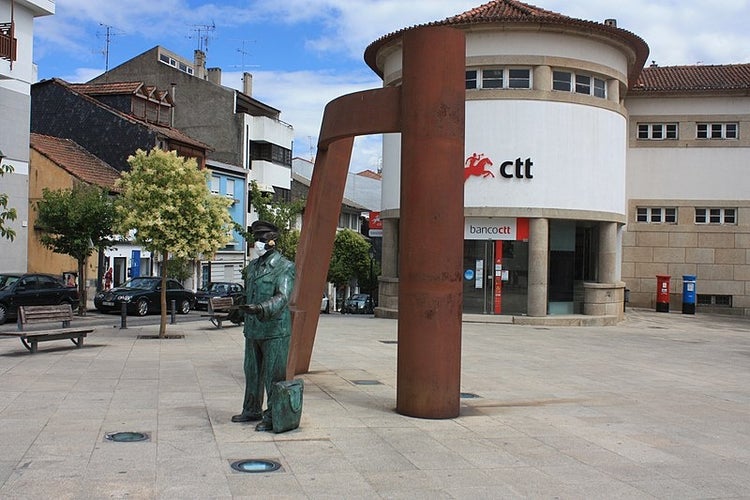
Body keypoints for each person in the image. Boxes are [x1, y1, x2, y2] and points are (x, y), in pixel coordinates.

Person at [232, 220, 295, 432]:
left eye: (261, 239)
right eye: (255, 239)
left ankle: (272, 416)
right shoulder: (253, 267)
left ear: (272, 242)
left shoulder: (284, 266)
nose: (257, 244)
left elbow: (283, 296)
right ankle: (251, 409)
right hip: (253, 330)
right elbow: (249, 293)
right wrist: (238, 308)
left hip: (275, 331)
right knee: (252, 372)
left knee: (273, 375)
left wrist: (260, 308)